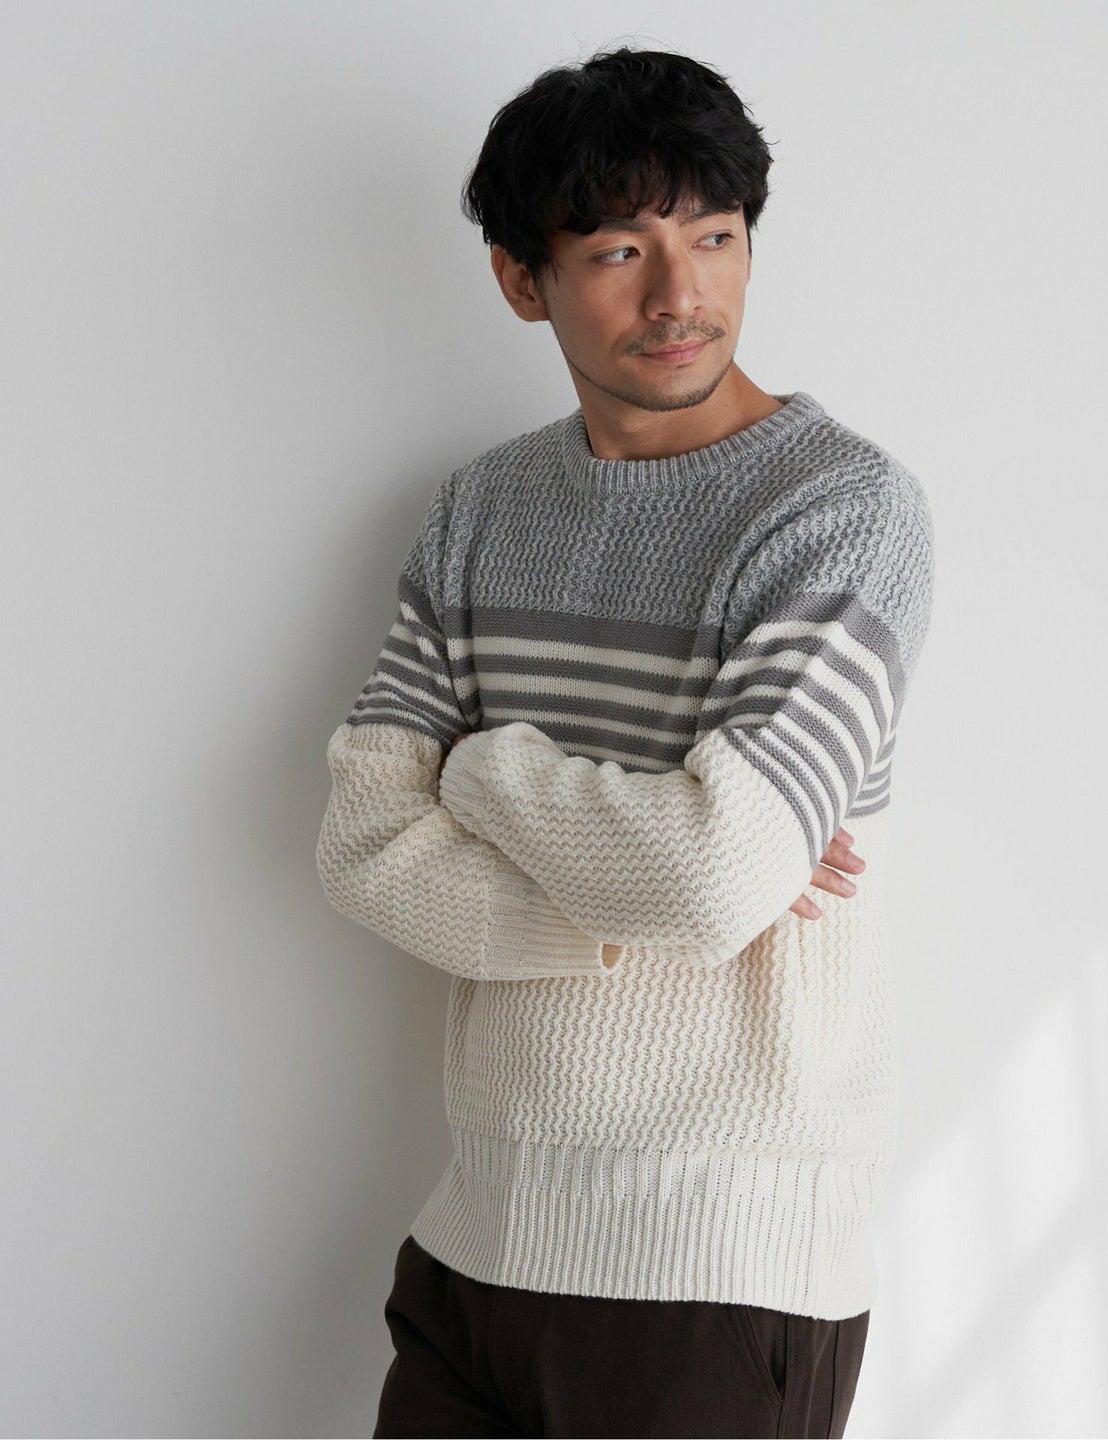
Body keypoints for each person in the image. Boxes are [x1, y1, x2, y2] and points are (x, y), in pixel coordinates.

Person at [316, 43, 935, 1440]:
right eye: (617, 251)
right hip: (476, 1241)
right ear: (521, 279)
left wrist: (480, 767)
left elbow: (712, 878)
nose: (680, 295)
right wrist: (625, 888)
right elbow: (362, 846)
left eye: (714, 237)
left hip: (714, 1270)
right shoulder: (479, 510)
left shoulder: (840, 513)